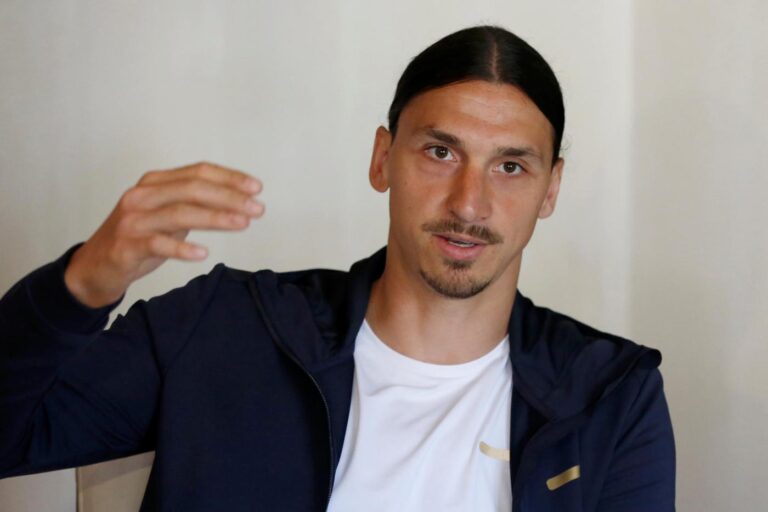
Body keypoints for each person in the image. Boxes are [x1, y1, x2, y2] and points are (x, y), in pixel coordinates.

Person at [0, 25, 675, 511]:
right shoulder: (223, 326)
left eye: (510, 166)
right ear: (383, 159)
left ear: (550, 190)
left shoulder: (612, 395)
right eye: (440, 152)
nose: (469, 203)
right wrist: (80, 286)